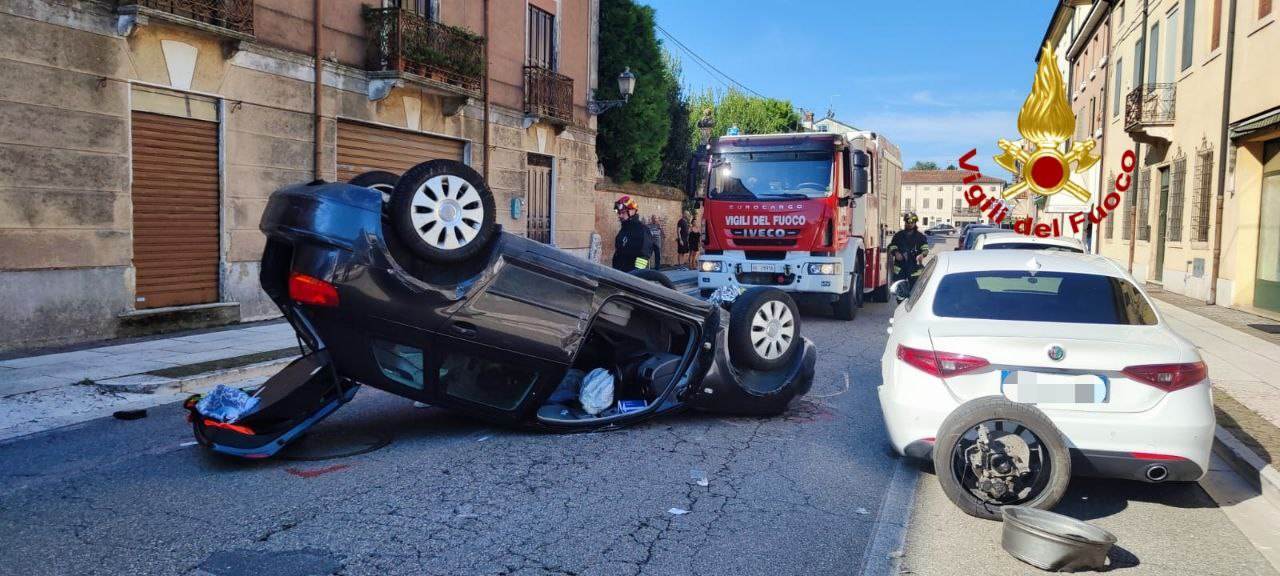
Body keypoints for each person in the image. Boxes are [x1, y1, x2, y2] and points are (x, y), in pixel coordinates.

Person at [611, 196, 654, 272]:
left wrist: (637, 274)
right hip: (620, 275)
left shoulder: (642, 230)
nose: (620, 216)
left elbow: (644, 255)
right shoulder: (624, 230)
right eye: (619, 213)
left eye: (623, 212)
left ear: (632, 211)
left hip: (634, 278)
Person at [888, 212, 929, 291]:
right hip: (900, 269)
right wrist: (896, 253)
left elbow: (925, 249)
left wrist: (922, 255)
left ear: (915, 223)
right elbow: (891, 246)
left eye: (912, 222)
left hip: (914, 269)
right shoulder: (898, 235)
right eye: (908, 222)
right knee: (900, 291)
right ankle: (900, 303)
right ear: (905, 222)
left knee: (915, 292)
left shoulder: (920, 237)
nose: (910, 224)